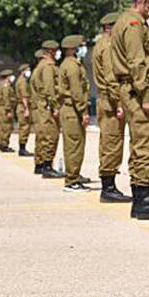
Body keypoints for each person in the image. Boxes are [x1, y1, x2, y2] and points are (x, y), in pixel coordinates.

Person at [111, 0, 149, 220]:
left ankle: (141, 198)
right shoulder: (133, 24)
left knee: (140, 144)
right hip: (138, 91)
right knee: (147, 146)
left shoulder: (127, 22)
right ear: (143, 1)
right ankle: (143, 201)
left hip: (133, 89)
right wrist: (148, 96)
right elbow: (137, 62)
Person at [93, 12, 132, 203]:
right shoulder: (108, 46)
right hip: (111, 103)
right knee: (112, 143)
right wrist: (118, 103)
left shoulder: (101, 44)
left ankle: (109, 185)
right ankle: (108, 188)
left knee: (109, 142)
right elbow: (111, 77)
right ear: (110, 27)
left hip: (107, 100)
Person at [57, 35, 91, 192]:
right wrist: (83, 110)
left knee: (74, 144)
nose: (82, 49)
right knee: (74, 145)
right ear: (72, 48)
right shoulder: (71, 66)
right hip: (73, 110)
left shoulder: (70, 64)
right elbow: (76, 92)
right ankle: (72, 181)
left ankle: (74, 176)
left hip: (71, 109)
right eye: (79, 47)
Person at [32, 41, 65, 178]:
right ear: (51, 51)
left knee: (42, 135)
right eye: (56, 50)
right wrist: (55, 106)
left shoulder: (40, 66)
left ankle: (40, 165)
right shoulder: (48, 67)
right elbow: (49, 88)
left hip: (41, 105)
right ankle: (47, 166)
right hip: (47, 107)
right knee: (51, 135)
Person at [14, 63, 34, 157]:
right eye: (28, 69)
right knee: (24, 128)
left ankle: (22, 148)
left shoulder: (22, 80)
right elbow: (24, 97)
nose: (29, 71)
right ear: (23, 71)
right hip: (23, 106)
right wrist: (26, 109)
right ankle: (22, 149)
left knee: (24, 127)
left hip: (22, 106)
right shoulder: (22, 82)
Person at [0, 70, 15, 152]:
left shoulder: (0, 85)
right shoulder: (6, 86)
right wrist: (8, 110)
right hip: (4, 108)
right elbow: (6, 98)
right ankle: (4, 144)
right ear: (8, 77)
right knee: (6, 126)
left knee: (0, 126)